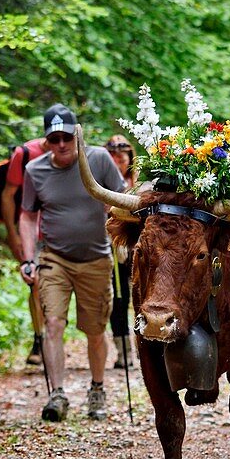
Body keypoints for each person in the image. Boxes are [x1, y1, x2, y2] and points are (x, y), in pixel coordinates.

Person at [18, 105, 126, 422]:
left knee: (95, 330)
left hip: (95, 259)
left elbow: (121, 199)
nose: (62, 145)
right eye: (55, 139)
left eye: (67, 137)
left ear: (77, 136)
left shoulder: (99, 160)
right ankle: (57, 394)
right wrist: (28, 257)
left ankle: (97, 388)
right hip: (55, 258)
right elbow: (27, 216)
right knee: (52, 323)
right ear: (46, 141)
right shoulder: (35, 171)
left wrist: (121, 235)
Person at [0, 122, 50, 366]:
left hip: (61, 232)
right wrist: (13, 233)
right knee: (35, 285)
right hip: (32, 232)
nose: (60, 143)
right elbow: (8, 194)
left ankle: (51, 334)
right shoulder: (25, 154)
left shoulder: (74, 151)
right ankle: (39, 337)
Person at [105, 134, 136, 370]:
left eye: (121, 156)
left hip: (137, 247)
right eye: (112, 156)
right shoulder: (102, 182)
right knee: (118, 297)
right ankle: (123, 351)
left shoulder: (138, 181)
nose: (117, 161)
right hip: (112, 245)